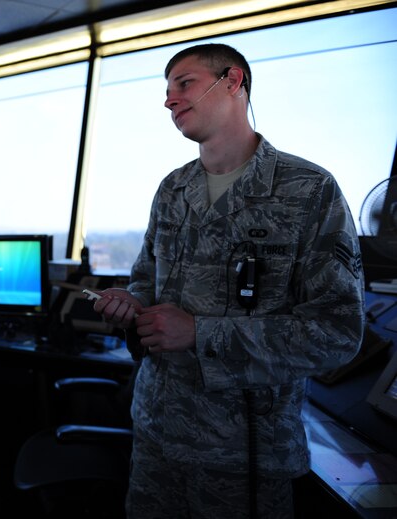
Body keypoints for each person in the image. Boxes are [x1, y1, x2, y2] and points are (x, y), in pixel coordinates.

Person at [92, 44, 365, 518]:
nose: (169, 100)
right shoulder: (172, 190)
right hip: (157, 434)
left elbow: (337, 332)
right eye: (167, 89)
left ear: (233, 81)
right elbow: (144, 283)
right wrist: (129, 302)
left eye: (184, 83)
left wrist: (200, 333)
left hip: (243, 456)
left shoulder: (309, 190)